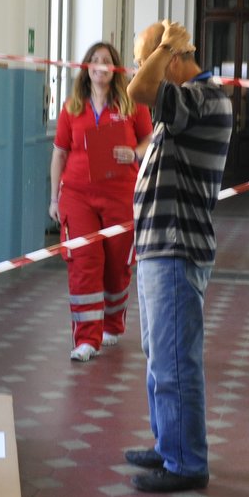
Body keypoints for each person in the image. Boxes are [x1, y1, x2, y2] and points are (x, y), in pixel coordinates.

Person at [122, 20, 232, 493]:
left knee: (174, 361)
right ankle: (170, 442)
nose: (140, 68)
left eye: (148, 58)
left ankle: (186, 462)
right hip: (158, 247)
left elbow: (138, 90)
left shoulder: (204, 99)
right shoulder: (189, 104)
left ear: (170, 59)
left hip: (176, 247)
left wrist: (161, 49)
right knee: (158, 357)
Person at [49, 41, 152, 362]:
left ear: (116, 68)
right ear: (85, 68)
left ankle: (112, 321)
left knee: (117, 263)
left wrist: (134, 152)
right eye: (94, 60)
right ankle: (85, 339)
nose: (100, 65)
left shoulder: (133, 103)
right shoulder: (72, 107)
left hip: (120, 194)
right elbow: (59, 154)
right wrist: (54, 198)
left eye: (106, 61)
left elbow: (150, 139)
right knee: (84, 262)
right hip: (77, 196)